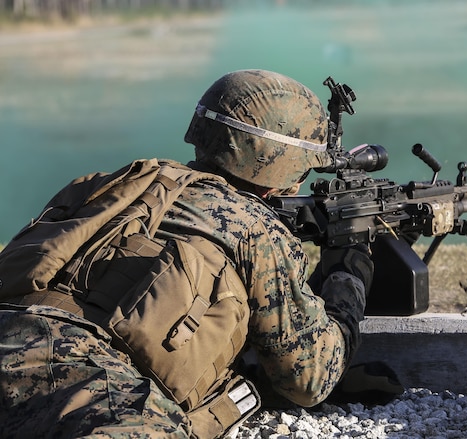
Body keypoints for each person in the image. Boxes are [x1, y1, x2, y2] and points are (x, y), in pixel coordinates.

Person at [0, 69, 374, 438]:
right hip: (91, 385)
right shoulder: (255, 228)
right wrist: (347, 278)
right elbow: (309, 380)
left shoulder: (105, 185)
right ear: (285, 163)